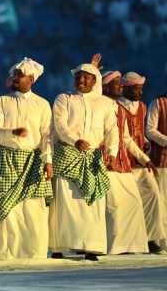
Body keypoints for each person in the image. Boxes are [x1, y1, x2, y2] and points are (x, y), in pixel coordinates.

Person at [50, 62, 118, 261]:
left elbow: (112, 129)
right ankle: (59, 247)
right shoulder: (64, 98)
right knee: (65, 202)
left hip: (93, 157)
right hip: (68, 154)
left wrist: (112, 152)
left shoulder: (105, 103)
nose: (80, 80)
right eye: (78, 76)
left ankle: (90, 247)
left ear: (94, 81)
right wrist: (74, 140)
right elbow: (60, 124)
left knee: (92, 203)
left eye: (85, 77)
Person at [0, 58, 54, 260]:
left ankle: (35, 253)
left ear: (31, 79)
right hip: (7, 158)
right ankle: (7, 254)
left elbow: (47, 136)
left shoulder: (42, 104)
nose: (15, 78)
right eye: (14, 74)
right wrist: (12, 132)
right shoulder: (2, 101)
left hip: (33, 160)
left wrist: (48, 161)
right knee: (8, 210)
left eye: (20, 75)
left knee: (34, 209)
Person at [100, 69, 151, 254]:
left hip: (124, 164)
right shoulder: (98, 105)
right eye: (116, 84)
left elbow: (127, 139)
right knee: (114, 206)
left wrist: (145, 160)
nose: (120, 87)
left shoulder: (120, 109)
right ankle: (113, 247)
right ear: (105, 88)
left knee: (134, 202)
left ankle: (131, 245)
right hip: (108, 162)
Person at [118, 72, 166, 253]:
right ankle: (128, 241)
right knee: (129, 202)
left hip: (141, 162)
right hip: (125, 162)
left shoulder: (143, 107)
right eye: (137, 89)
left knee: (153, 194)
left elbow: (141, 134)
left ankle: (151, 238)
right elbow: (125, 138)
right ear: (127, 88)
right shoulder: (116, 106)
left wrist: (146, 143)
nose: (140, 92)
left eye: (141, 89)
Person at [147, 82, 167, 249]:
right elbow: (150, 130)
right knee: (162, 203)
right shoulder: (158, 103)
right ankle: (162, 242)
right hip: (163, 162)